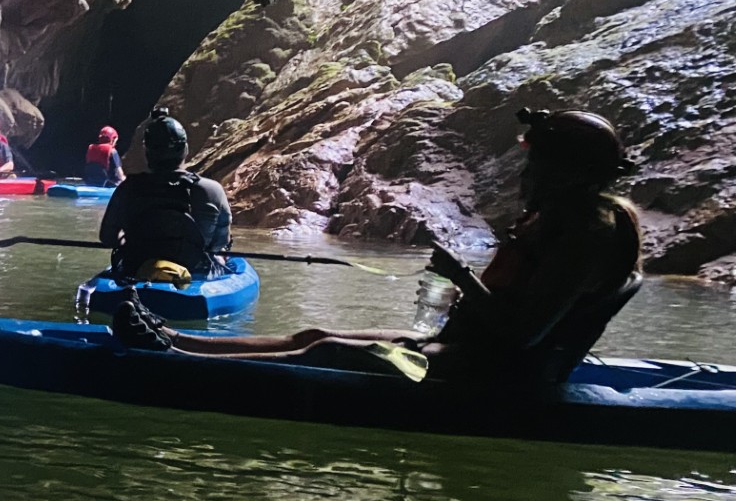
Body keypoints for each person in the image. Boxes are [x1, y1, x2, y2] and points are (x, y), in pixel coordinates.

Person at [127, 109, 643, 387]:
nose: (527, 175)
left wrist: (462, 278)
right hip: (469, 347)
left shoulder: (587, 236)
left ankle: (172, 361)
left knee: (325, 352)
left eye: (538, 165)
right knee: (316, 332)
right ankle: (177, 341)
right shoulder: (564, 220)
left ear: (568, 173)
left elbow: (524, 336)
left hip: (497, 371)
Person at [97, 108, 231, 280]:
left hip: (138, 268)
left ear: (147, 153)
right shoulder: (211, 190)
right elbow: (220, 243)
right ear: (185, 150)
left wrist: (126, 240)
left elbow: (108, 237)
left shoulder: (128, 188)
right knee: (219, 257)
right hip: (194, 270)